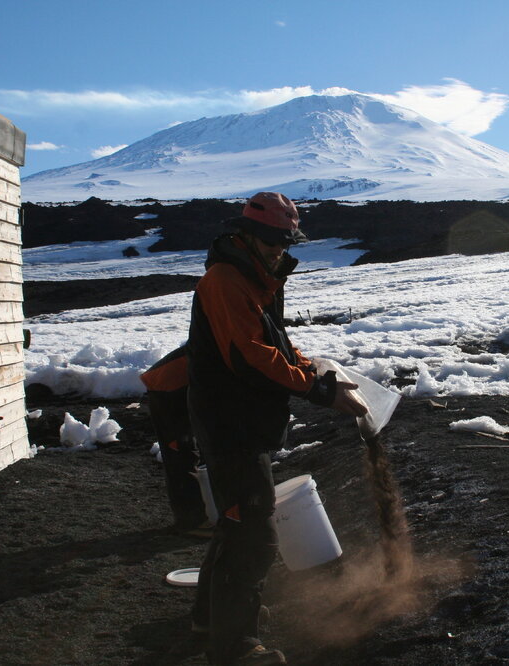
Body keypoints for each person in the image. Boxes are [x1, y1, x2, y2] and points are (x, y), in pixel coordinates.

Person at [186, 191, 366, 665]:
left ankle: (207, 620)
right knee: (252, 535)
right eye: (271, 242)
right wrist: (319, 392)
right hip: (230, 423)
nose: (279, 250)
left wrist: (317, 374)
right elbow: (251, 356)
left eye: (284, 243)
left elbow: (276, 342)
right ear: (247, 236)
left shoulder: (255, 277)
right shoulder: (225, 280)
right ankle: (235, 649)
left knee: (236, 524)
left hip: (242, 419)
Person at [140, 345, 211, 537]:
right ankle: (190, 522)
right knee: (181, 452)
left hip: (182, 383)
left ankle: (200, 514)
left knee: (189, 449)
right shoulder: (228, 340)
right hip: (167, 389)